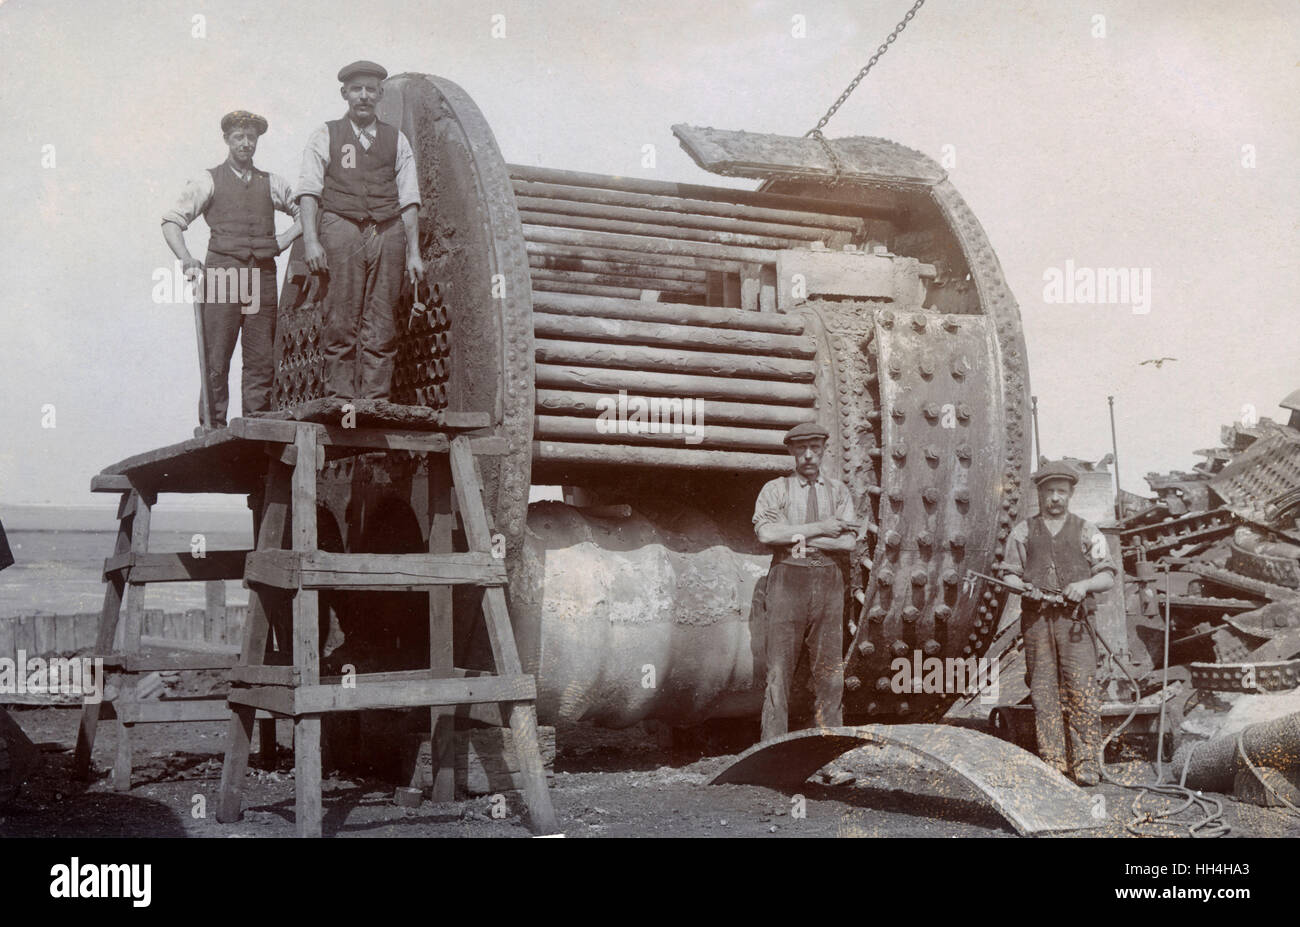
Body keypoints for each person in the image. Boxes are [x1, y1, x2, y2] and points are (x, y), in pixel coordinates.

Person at [162, 111, 300, 432]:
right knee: (217, 357)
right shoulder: (208, 180)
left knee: (260, 359)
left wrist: (282, 240)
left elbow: (306, 210)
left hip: (262, 277)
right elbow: (171, 222)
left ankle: (257, 426)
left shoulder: (272, 182)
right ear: (226, 140)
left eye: (251, 137)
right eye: (239, 137)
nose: (246, 143)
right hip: (224, 275)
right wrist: (187, 258)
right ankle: (213, 428)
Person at [297, 59, 424, 403]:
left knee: (382, 318)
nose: (364, 96)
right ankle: (340, 396)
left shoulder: (396, 140)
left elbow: (409, 197)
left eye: (371, 89)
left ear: (381, 94)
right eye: (357, 89)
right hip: (341, 225)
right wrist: (311, 241)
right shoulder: (325, 134)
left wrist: (413, 252)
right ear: (345, 94)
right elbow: (309, 190)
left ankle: (374, 399)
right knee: (341, 315)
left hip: (386, 228)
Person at [999, 460, 1116, 786]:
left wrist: (1084, 586)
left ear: (1070, 495)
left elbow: (1107, 575)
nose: (1055, 498)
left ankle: (1087, 764)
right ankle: (1054, 763)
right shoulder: (1022, 531)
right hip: (1037, 623)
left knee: (1081, 691)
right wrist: (1015, 583)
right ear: (1040, 493)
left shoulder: (1088, 530)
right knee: (1043, 691)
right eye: (1049, 491)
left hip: (1075, 624)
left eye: (1061, 492)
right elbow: (1009, 572)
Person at [752, 422, 858, 744]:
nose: (809, 455)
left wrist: (796, 533)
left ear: (824, 450)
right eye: (801, 448)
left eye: (815, 447)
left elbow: (848, 544)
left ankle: (830, 751)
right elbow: (766, 534)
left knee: (830, 676)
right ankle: (772, 749)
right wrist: (823, 528)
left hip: (829, 581)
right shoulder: (776, 489)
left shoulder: (839, 491)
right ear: (791, 452)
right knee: (778, 673)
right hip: (788, 579)